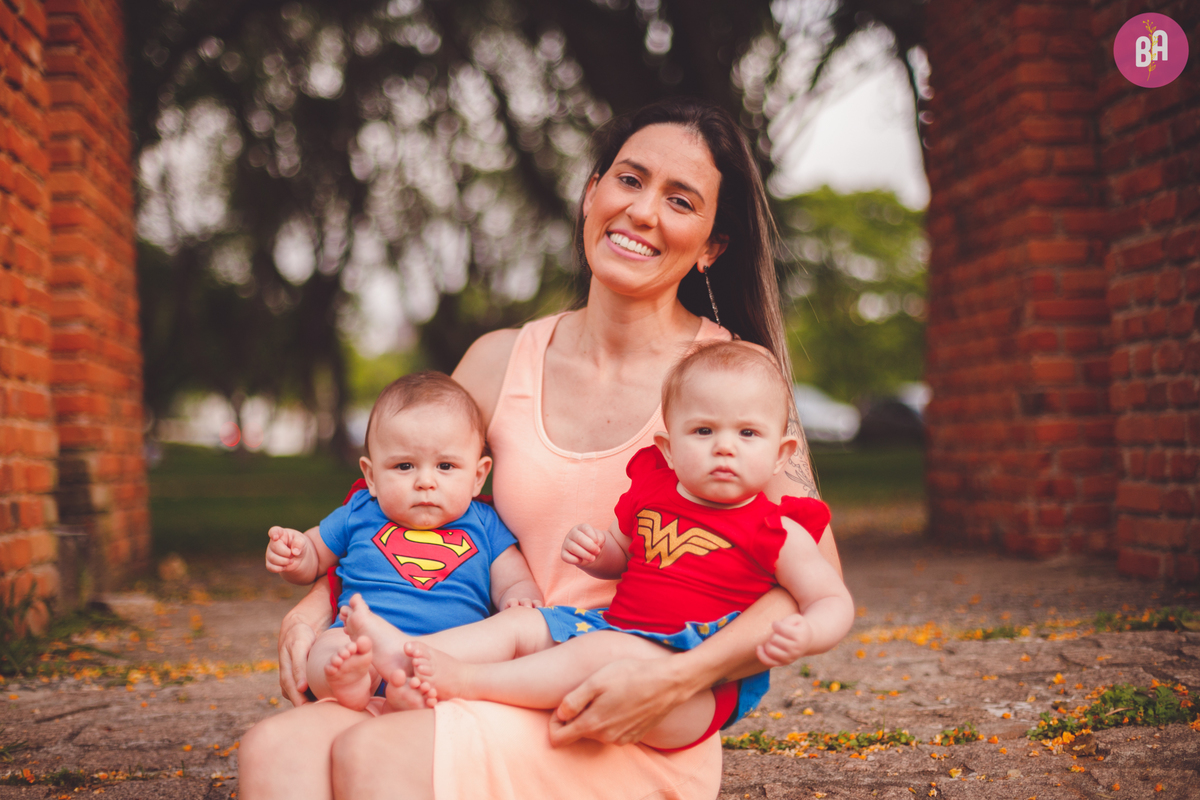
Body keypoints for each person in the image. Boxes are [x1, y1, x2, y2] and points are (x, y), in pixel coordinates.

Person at [239, 96, 844, 800]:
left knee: (376, 755)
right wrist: (316, 603)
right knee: (274, 752)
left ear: (711, 244)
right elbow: (392, 503)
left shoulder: (730, 390)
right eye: (629, 179)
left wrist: (679, 677)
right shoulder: (500, 360)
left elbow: (802, 581)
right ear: (592, 192)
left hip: (617, 707)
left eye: (680, 200)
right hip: (475, 663)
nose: (643, 211)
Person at [339, 341, 854, 752]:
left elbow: (831, 599)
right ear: (669, 449)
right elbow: (626, 557)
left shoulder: (776, 529)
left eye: (747, 433)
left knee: (602, 652)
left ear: (780, 452)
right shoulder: (655, 496)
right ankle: (407, 658)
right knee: (526, 622)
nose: (724, 446)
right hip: (618, 630)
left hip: (694, 682)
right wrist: (600, 553)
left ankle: (465, 681)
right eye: (703, 431)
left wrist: (808, 631)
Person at [263, 371, 541, 712]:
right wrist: (295, 554)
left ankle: (406, 693)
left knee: (481, 656)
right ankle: (350, 681)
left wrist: (520, 597)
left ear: (478, 476)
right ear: (371, 475)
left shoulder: (484, 524)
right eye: (405, 465)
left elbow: (513, 577)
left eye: (446, 466)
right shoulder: (360, 511)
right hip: (360, 641)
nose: (425, 481)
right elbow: (313, 560)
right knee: (328, 649)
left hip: (447, 649)